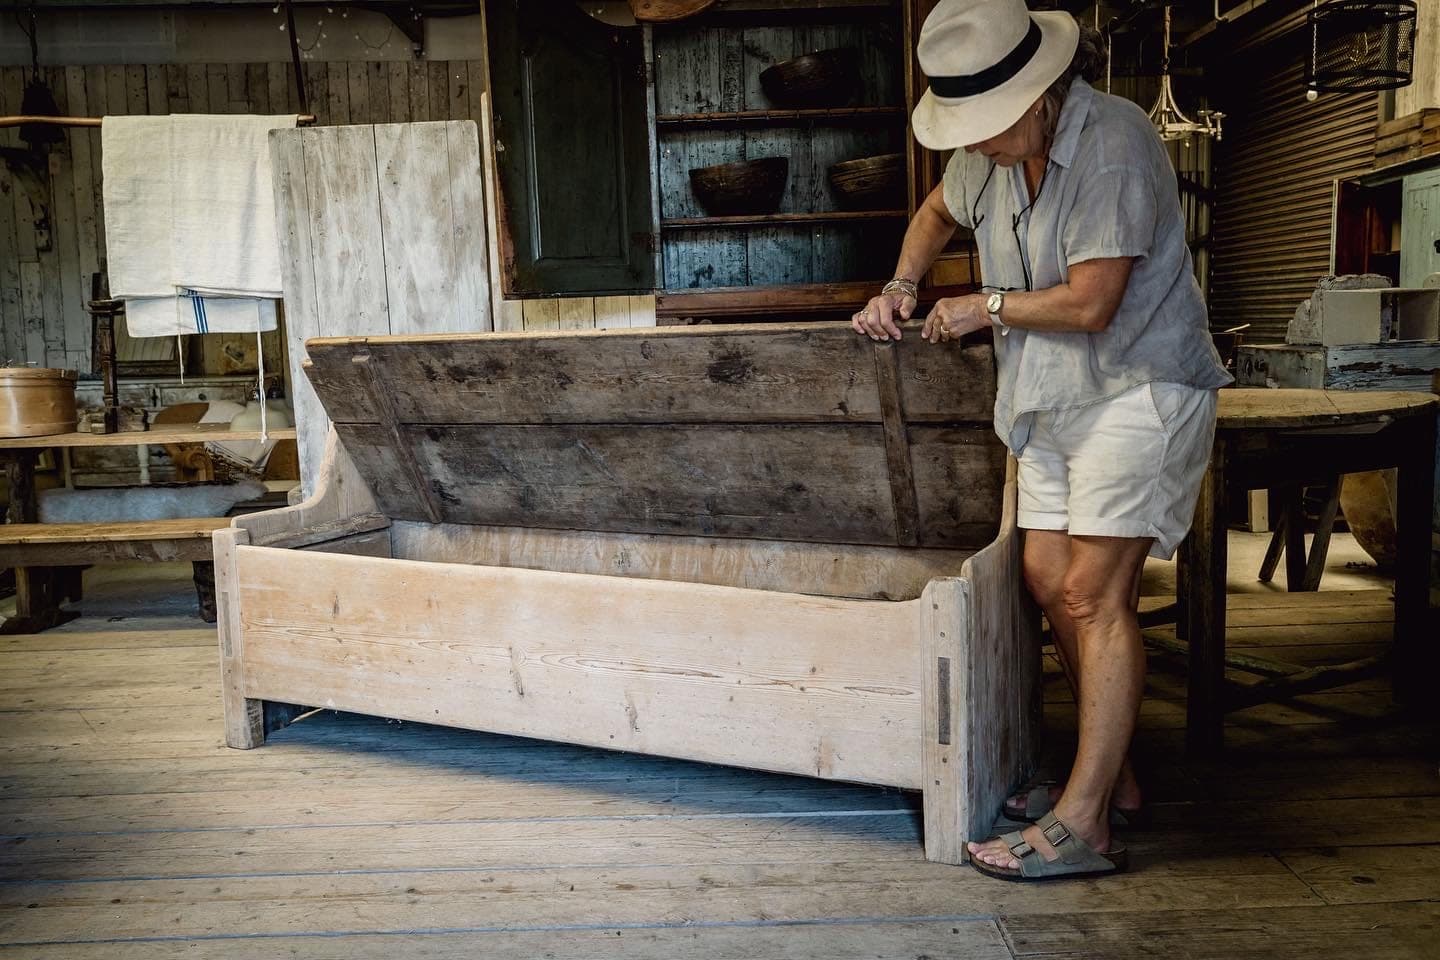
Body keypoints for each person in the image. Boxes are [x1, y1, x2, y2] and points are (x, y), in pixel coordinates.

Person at [853, 0, 1232, 881]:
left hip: (1137, 386)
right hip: (1050, 396)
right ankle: (1116, 775)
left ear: (1044, 91)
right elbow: (933, 216)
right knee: (1043, 577)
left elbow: (1092, 302)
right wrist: (902, 287)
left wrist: (981, 307)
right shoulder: (988, 157)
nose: (977, 143)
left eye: (988, 125)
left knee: (1096, 593)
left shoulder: (1115, 141)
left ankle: (1087, 819)